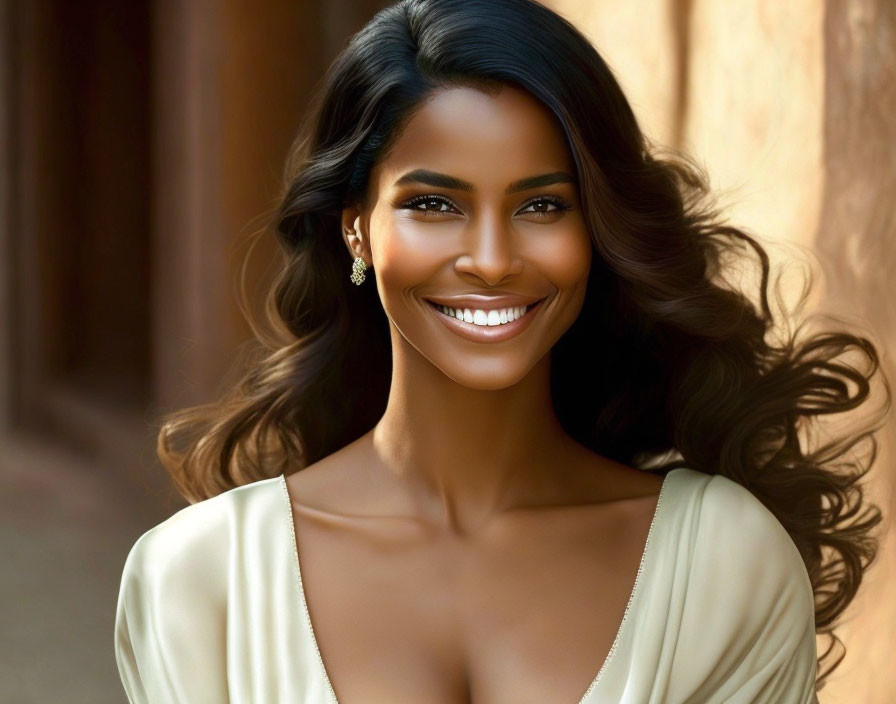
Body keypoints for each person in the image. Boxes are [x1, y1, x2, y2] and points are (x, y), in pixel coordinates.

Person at [114, 0, 887, 702]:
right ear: (356, 225)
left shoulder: (725, 563)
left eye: (543, 205)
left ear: (597, 231)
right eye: (433, 204)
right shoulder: (198, 579)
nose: (490, 257)